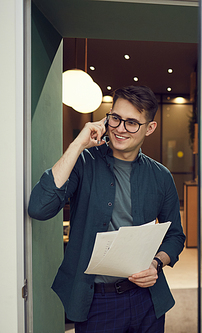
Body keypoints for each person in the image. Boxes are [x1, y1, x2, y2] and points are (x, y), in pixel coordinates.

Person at [28, 85, 186, 332]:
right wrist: (78, 144)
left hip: (147, 299)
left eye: (132, 122)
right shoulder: (83, 163)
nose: (120, 129)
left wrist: (156, 263)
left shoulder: (161, 176)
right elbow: (39, 207)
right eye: (116, 118)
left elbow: (175, 236)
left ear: (150, 128)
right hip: (96, 301)